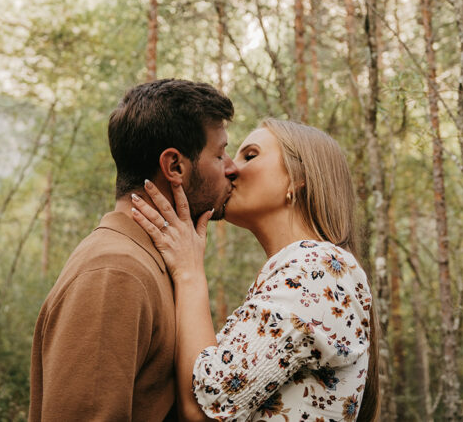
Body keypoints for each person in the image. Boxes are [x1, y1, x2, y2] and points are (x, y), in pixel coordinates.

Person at [132, 118, 379, 422]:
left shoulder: (320, 268)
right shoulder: (297, 273)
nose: (230, 169)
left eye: (250, 155)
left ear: (298, 178)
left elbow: (204, 409)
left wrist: (189, 272)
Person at [29, 79, 239, 421]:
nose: (231, 167)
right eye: (219, 154)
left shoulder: (149, 263)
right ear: (174, 167)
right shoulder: (115, 273)